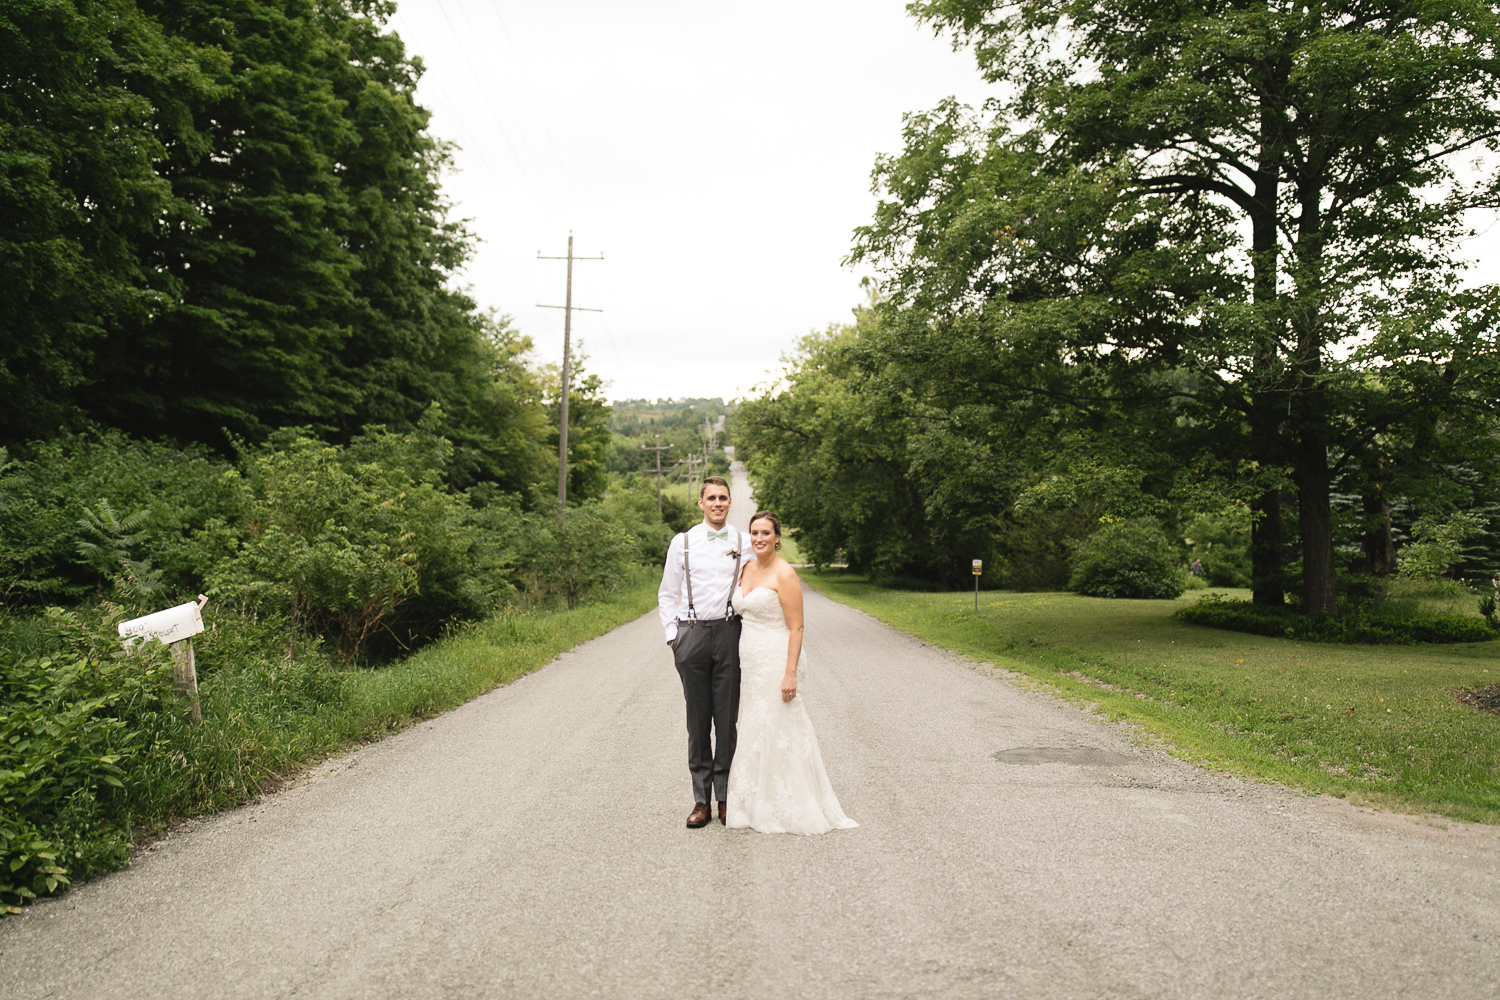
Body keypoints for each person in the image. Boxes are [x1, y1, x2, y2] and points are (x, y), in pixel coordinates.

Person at [725, 510, 857, 835]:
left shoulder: (785, 574)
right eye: (754, 533)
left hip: (775, 657)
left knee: (780, 725)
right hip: (750, 662)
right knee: (755, 725)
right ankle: (751, 803)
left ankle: (789, 804)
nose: (759, 539)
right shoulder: (745, 568)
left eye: (766, 533)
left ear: (777, 537)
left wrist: (790, 673)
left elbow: (796, 628)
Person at [658, 476, 753, 828]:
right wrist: (674, 638)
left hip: (730, 633)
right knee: (698, 724)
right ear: (700, 503)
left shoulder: (743, 541)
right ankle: (701, 801)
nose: (717, 503)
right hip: (692, 635)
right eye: (711, 497)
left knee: (727, 722)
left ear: (730, 503)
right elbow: (667, 593)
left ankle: (726, 797)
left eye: (723, 498)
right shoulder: (681, 542)